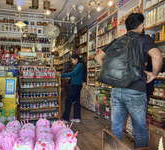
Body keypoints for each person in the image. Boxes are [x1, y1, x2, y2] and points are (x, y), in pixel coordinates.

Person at [95, 13, 163, 149]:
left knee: (117, 127)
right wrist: (154, 74)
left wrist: (113, 73)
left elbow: (98, 57)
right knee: (140, 130)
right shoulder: (143, 39)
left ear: (126, 27)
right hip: (135, 90)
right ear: (141, 25)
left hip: (116, 90)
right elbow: (157, 57)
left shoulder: (117, 40)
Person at [58, 54, 86, 123]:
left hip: (76, 86)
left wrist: (61, 75)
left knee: (68, 100)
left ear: (76, 59)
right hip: (77, 85)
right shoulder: (79, 65)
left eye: (72, 60)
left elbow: (73, 73)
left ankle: (65, 118)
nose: (72, 62)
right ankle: (76, 117)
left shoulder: (79, 65)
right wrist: (70, 78)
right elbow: (76, 76)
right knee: (76, 102)